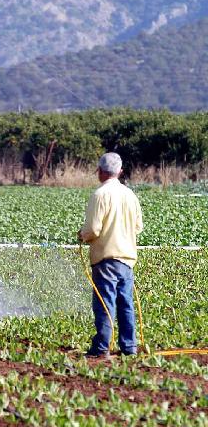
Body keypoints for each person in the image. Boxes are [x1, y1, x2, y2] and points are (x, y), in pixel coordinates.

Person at [78, 152, 143, 358]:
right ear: (120, 172)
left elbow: (92, 229)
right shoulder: (130, 195)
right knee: (125, 304)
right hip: (127, 259)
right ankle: (129, 347)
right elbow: (138, 227)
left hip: (106, 258)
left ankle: (101, 348)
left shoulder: (100, 195)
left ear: (100, 171)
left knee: (105, 304)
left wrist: (82, 235)